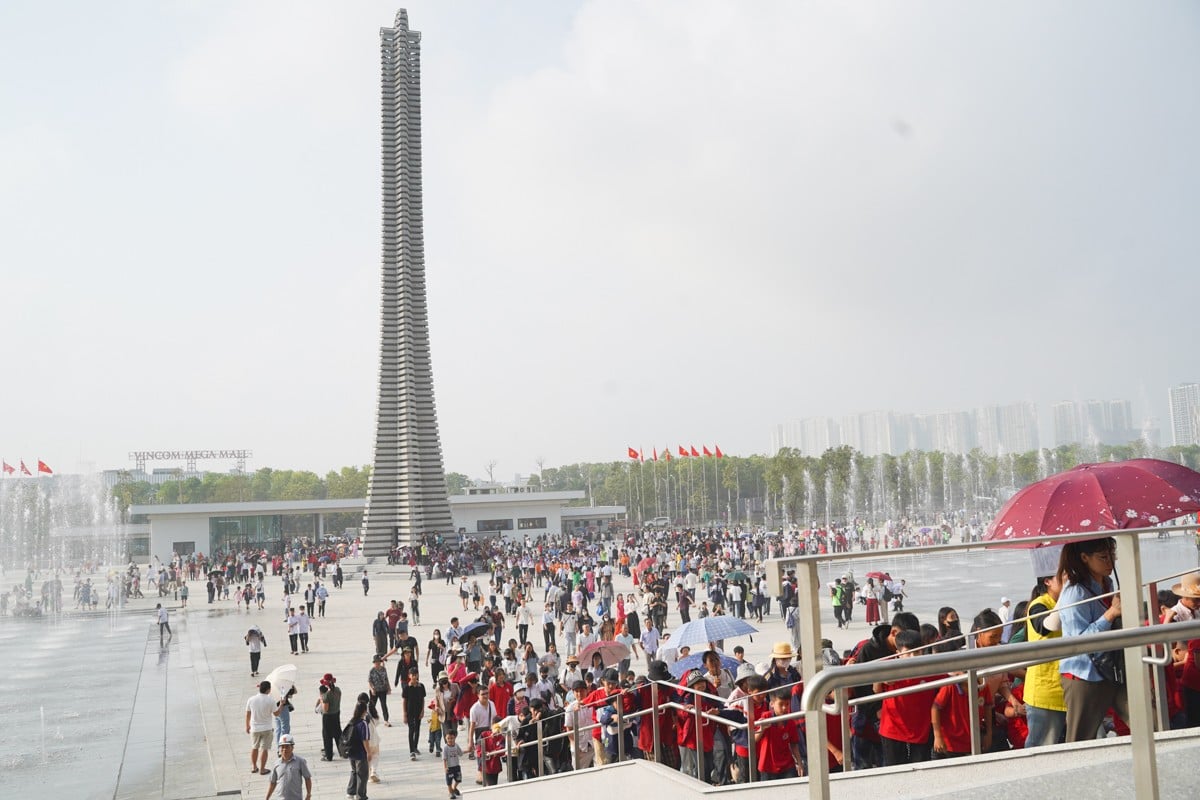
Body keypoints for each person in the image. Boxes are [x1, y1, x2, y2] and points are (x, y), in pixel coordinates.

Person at [1057, 537, 1128, 742]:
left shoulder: (1108, 583)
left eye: (1112, 556)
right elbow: (1078, 642)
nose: (1110, 563)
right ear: (1084, 558)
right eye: (1103, 557)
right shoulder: (1075, 593)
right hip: (1084, 674)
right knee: (1079, 738)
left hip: (1112, 669)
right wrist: (1111, 614)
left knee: (1145, 716)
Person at [1023, 545, 1067, 748]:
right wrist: (1067, 591)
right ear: (1047, 581)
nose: (1068, 579)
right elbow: (1050, 625)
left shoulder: (1069, 600)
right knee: (1041, 747)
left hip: (1067, 686)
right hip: (1045, 692)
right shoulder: (1039, 605)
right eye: (1062, 576)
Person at [264, 734, 312, 800]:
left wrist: (308, 794)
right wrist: (267, 797)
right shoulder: (276, 764)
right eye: (282, 747)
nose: (284, 749)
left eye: (287, 747)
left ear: (292, 748)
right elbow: (273, 782)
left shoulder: (300, 761)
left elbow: (307, 778)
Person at [246, 680, 275, 775]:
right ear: (268, 690)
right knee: (264, 749)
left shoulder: (251, 699)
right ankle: (262, 769)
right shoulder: (270, 700)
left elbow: (248, 713)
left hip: (254, 728)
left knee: (254, 747)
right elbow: (276, 713)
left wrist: (247, 725)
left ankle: (254, 767)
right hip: (267, 728)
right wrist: (282, 705)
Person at [345, 699, 371, 800]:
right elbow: (365, 739)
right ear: (364, 710)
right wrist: (368, 752)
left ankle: (350, 792)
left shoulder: (352, 721)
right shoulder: (363, 723)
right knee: (362, 775)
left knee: (354, 771)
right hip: (360, 753)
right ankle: (361, 795)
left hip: (351, 752)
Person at [401, 667, 427, 760]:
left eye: (416, 674)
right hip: (410, 711)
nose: (414, 677)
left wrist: (423, 710)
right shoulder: (407, 687)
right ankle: (411, 751)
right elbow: (404, 701)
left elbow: (423, 699)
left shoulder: (421, 686)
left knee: (417, 729)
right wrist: (404, 714)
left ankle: (415, 746)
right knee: (411, 730)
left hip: (418, 711)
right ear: (409, 676)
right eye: (412, 675)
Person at [317, 673, 342, 761]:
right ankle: (342, 752)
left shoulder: (326, 695)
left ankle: (329, 755)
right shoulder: (338, 690)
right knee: (338, 734)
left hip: (328, 717)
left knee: (327, 736)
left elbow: (325, 709)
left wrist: (321, 699)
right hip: (336, 714)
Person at [368, 655, 392, 725]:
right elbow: (369, 681)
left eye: (379, 662)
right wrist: (372, 689)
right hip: (374, 691)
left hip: (383, 690)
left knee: (384, 705)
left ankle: (386, 720)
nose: (378, 663)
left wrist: (389, 688)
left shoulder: (383, 669)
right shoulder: (372, 671)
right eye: (376, 662)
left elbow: (386, 679)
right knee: (372, 706)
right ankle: (370, 719)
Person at [442, 729, 464, 799]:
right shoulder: (445, 748)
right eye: (448, 738)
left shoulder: (456, 745)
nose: (450, 740)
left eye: (451, 738)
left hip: (456, 766)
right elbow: (444, 759)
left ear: (455, 737)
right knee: (449, 782)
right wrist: (445, 767)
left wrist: (469, 750)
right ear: (445, 738)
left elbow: (461, 753)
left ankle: (454, 788)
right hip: (449, 768)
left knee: (458, 779)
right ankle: (451, 792)